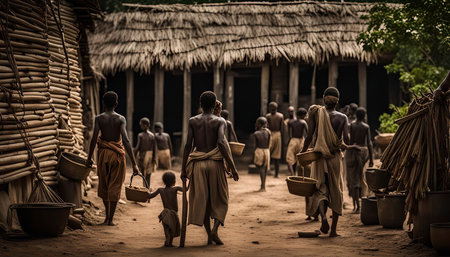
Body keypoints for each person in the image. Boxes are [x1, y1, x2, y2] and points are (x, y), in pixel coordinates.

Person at [181, 91, 239, 245]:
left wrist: (182, 169)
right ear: (215, 105)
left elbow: (188, 145)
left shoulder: (193, 120)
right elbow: (220, 143)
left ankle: (209, 234)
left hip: (198, 164)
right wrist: (232, 167)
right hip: (215, 163)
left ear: (200, 104)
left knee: (204, 200)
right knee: (221, 198)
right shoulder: (220, 121)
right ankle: (214, 232)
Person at [301, 87, 349, 237]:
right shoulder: (343, 118)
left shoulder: (316, 113)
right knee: (336, 191)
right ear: (337, 101)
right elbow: (346, 141)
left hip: (319, 157)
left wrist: (303, 152)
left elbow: (309, 137)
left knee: (321, 188)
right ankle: (333, 231)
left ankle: (322, 217)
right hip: (334, 158)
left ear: (323, 98)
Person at [86, 91, 140, 226]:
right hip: (117, 156)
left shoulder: (99, 118)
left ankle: (106, 218)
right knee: (115, 186)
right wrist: (134, 163)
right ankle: (110, 219)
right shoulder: (120, 119)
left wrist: (89, 158)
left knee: (104, 185)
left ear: (103, 103)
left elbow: (94, 139)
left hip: (103, 154)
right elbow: (126, 140)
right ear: (116, 104)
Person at [346, 107, 374, 213]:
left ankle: (356, 205)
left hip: (354, 151)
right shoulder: (366, 126)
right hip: (364, 152)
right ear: (364, 116)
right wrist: (371, 159)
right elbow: (369, 143)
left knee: (354, 179)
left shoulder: (352, 125)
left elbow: (351, 141)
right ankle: (361, 204)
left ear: (356, 115)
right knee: (361, 178)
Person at [147, 171, 182, 247]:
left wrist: (148, 191)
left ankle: (167, 240)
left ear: (163, 181)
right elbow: (185, 189)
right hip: (173, 213)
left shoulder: (160, 190)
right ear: (174, 181)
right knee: (172, 229)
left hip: (165, 213)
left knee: (166, 228)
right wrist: (188, 182)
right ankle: (170, 242)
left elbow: (149, 196)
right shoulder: (175, 189)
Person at [134, 117, 156, 188]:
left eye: (141, 125)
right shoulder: (152, 135)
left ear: (145, 125)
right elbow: (154, 148)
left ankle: (145, 188)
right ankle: (147, 188)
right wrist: (154, 158)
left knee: (143, 174)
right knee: (148, 174)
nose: (140, 126)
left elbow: (137, 147)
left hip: (143, 156)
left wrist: (134, 155)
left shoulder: (140, 135)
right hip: (150, 155)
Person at [250, 117, 271, 192]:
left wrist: (253, 155)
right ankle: (263, 185)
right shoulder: (268, 132)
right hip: (266, 150)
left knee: (261, 168)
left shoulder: (256, 133)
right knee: (264, 168)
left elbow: (254, 146)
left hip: (259, 150)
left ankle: (263, 186)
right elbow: (268, 144)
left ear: (258, 124)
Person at [286, 108, 308, 176]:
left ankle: (292, 174)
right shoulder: (303, 122)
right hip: (301, 141)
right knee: (300, 158)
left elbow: (289, 133)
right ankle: (300, 175)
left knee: (289, 158)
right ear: (302, 115)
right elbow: (308, 133)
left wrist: (289, 139)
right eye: (304, 116)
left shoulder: (290, 122)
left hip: (293, 140)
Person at [266, 102, 284, 178]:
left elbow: (282, 128)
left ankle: (276, 173)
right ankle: (268, 171)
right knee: (268, 153)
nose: (272, 109)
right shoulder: (268, 116)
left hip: (276, 134)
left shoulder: (280, 116)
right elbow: (267, 126)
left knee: (276, 155)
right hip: (272, 133)